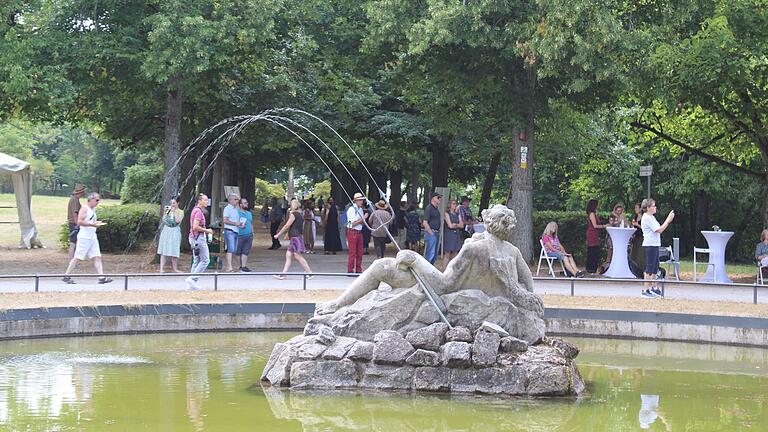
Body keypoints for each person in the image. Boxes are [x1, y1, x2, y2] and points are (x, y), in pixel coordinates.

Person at [62, 192, 113, 284]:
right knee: (77, 257)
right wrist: (92, 225)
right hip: (84, 237)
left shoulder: (92, 210)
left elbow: (90, 221)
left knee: (97, 257)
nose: (98, 202)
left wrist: (96, 223)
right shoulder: (84, 208)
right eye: (97, 200)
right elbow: (79, 222)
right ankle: (66, 276)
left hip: (92, 236)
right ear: (91, 199)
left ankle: (101, 277)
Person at [640, 198, 674, 298]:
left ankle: (654, 288)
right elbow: (659, 230)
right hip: (649, 245)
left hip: (654, 244)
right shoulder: (646, 217)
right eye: (653, 206)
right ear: (648, 208)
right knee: (649, 268)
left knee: (655, 267)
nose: (655, 207)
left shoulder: (651, 217)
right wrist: (668, 220)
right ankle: (645, 290)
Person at [273, 199, 313, 279]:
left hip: (295, 237)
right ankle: (283, 274)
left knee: (298, 256)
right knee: (288, 255)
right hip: (296, 237)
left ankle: (309, 272)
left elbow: (286, 226)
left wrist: (278, 234)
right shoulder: (300, 214)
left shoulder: (293, 215)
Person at [186, 194, 214, 290]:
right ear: (199, 201)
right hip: (198, 238)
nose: (207, 202)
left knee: (196, 260)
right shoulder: (198, 212)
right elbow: (195, 227)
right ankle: (192, 278)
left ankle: (191, 284)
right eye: (205, 200)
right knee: (205, 260)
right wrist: (207, 231)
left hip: (193, 238)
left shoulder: (195, 210)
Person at [157, 197, 184, 273]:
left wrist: (174, 212)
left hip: (175, 230)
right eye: (171, 203)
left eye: (174, 203)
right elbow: (164, 220)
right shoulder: (168, 211)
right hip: (166, 230)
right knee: (164, 250)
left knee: (174, 249)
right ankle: (161, 268)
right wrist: (165, 212)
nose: (172, 205)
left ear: (177, 203)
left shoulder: (181, 212)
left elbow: (178, 221)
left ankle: (175, 268)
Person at [346, 192, 368, 273]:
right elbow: (353, 223)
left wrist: (362, 220)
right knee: (352, 252)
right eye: (360, 200)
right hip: (353, 232)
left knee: (360, 252)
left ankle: (358, 269)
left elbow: (360, 222)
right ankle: (350, 270)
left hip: (359, 231)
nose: (361, 202)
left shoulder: (360, 209)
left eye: (362, 200)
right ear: (356, 201)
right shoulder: (352, 209)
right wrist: (363, 218)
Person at [586, 199, 608, 274]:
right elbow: (595, 225)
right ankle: (590, 268)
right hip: (592, 234)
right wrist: (604, 226)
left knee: (594, 251)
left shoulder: (594, 213)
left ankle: (592, 268)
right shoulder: (592, 214)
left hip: (594, 234)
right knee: (592, 250)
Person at [222, 193, 241, 272]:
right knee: (231, 248)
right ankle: (229, 267)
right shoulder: (227, 208)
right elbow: (225, 220)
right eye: (235, 199)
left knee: (235, 249)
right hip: (230, 230)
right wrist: (234, 223)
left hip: (236, 230)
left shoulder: (236, 209)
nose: (237, 201)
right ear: (231, 200)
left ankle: (239, 266)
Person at [442, 199, 464, 267]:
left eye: (455, 204)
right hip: (449, 235)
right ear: (449, 205)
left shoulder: (457, 214)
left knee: (455, 253)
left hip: (456, 235)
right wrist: (457, 225)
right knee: (447, 253)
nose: (455, 205)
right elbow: (450, 225)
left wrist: (456, 225)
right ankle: (445, 270)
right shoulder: (446, 214)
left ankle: (452, 269)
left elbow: (462, 225)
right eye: (453, 204)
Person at [67, 183, 86, 260]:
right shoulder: (75, 200)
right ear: (80, 192)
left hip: (73, 223)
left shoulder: (75, 199)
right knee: (73, 243)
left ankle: (73, 260)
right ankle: (71, 260)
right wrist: (78, 225)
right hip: (74, 224)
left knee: (74, 243)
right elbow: (75, 213)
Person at [423, 192, 442, 265]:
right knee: (430, 253)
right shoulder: (429, 208)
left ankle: (430, 269)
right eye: (438, 197)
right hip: (432, 233)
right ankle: (426, 270)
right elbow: (425, 222)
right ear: (433, 198)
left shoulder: (435, 209)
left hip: (436, 232)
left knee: (434, 254)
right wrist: (431, 233)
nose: (439, 199)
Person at [236, 197, 254, 272]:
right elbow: (234, 223)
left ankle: (243, 266)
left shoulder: (249, 213)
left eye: (247, 203)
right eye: (244, 203)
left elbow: (251, 223)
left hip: (249, 235)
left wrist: (252, 232)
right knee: (238, 251)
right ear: (240, 205)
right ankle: (239, 266)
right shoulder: (237, 213)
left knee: (245, 251)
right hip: (240, 234)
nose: (246, 204)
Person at [630, 202, 646, 269]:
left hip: (642, 237)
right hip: (636, 237)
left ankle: (641, 268)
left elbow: (645, 228)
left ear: (640, 209)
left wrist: (637, 225)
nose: (635, 209)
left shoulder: (644, 217)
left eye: (636, 208)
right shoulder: (635, 216)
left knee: (640, 254)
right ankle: (634, 268)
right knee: (634, 253)